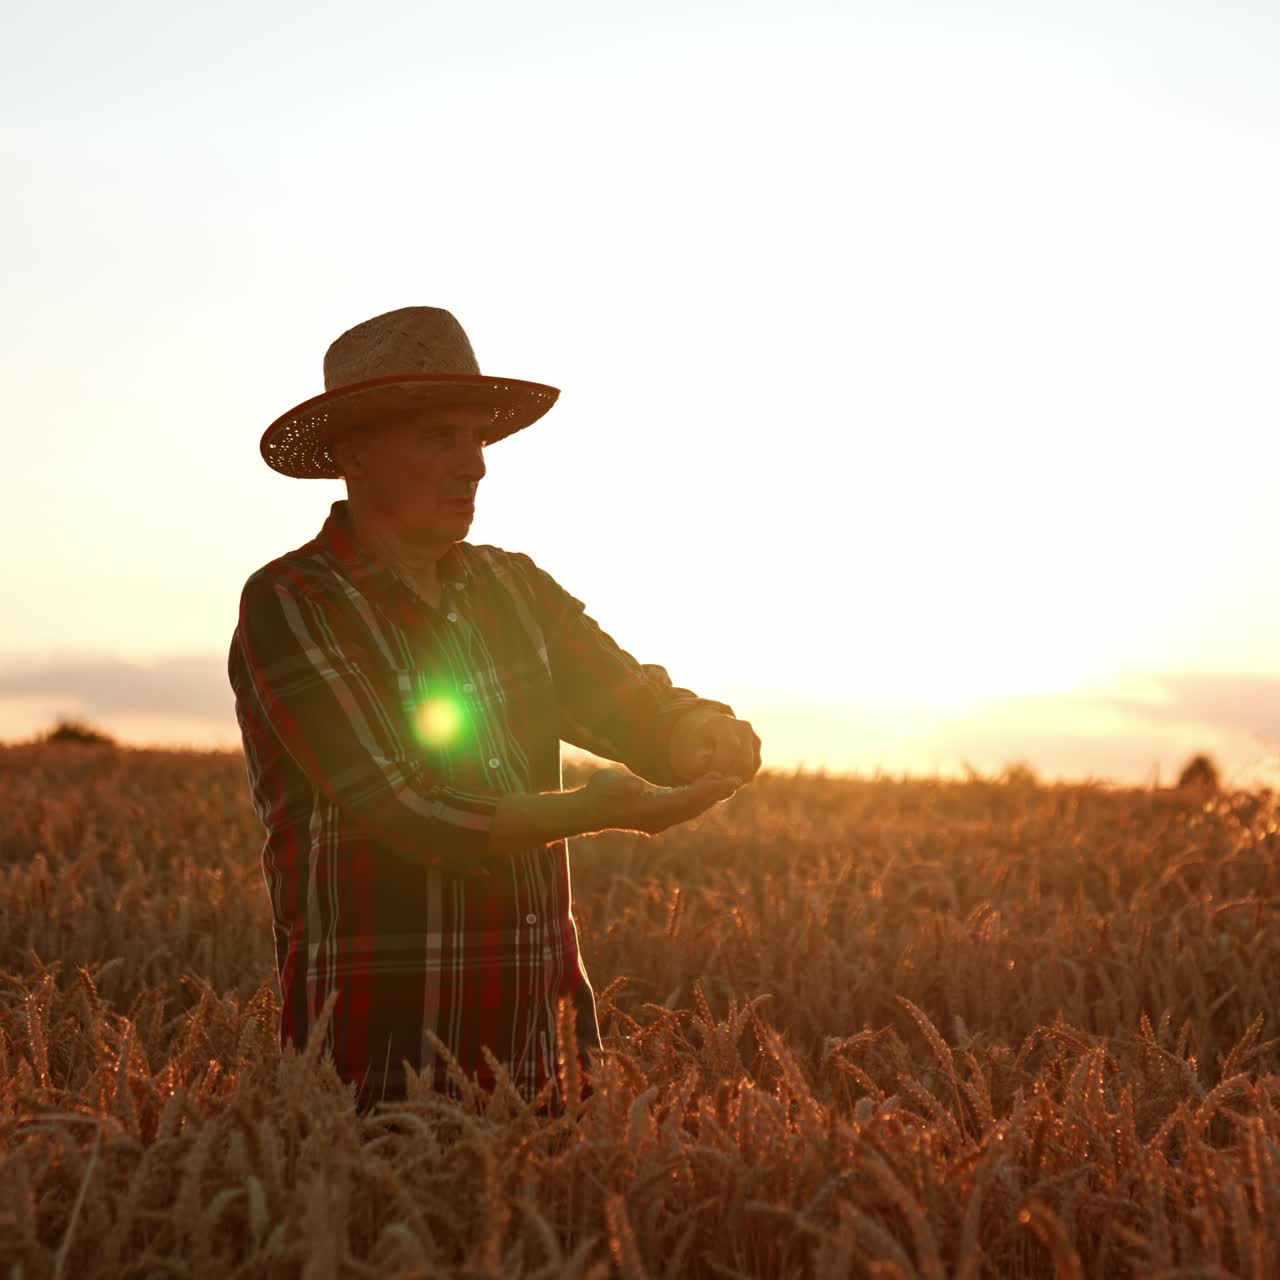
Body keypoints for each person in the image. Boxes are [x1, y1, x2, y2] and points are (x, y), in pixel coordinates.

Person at [227, 306, 761, 1113]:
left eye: (478, 439)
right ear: (355, 453)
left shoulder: (514, 588)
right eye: (440, 437)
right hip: (376, 1062)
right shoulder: (293, 602)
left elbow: (634, 707)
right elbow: (403, 805)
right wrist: (593, 809)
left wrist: (700, 735)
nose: (474, 466)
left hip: (539, 1046)